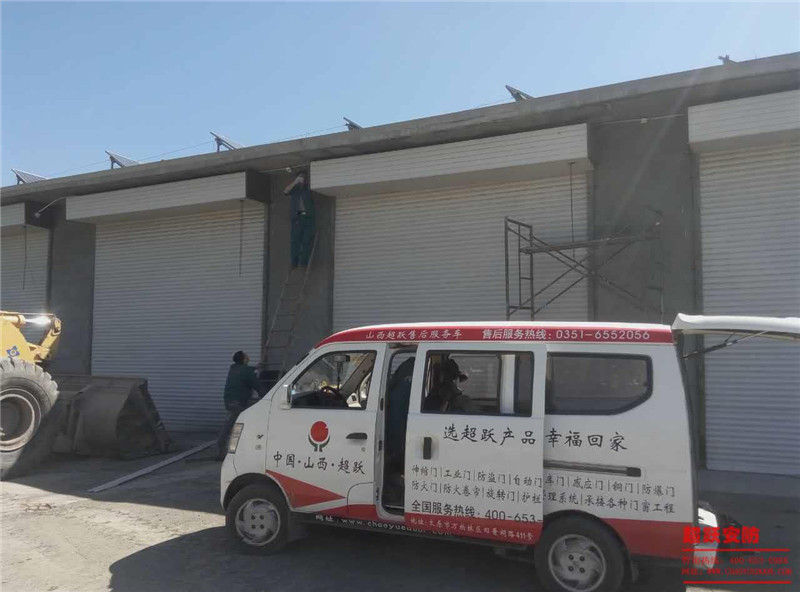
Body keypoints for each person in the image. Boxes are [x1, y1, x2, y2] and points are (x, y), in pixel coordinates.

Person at [216, 350, 263, 460]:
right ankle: (230, 450)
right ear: (243, 359)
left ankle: (223, 448)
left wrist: (254, 368)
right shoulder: (245, 372)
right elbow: (258, 385)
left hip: (231, 401)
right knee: (237, 425)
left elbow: (245, 371)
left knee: (230, 425)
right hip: (238, 403)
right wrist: (267, 397)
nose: (248, 356)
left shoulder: (234, 369)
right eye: (246, 356)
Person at [283, 172, 316, 268]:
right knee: (295, 241)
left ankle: (303, 262)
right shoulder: (295, 189)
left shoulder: (308, 188)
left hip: (308, 218)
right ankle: (294, 262)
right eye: (300, 177)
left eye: (303, 177)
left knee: (307, 240)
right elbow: (285, 191)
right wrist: (295, 182)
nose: (302, 179)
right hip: (297, 218)